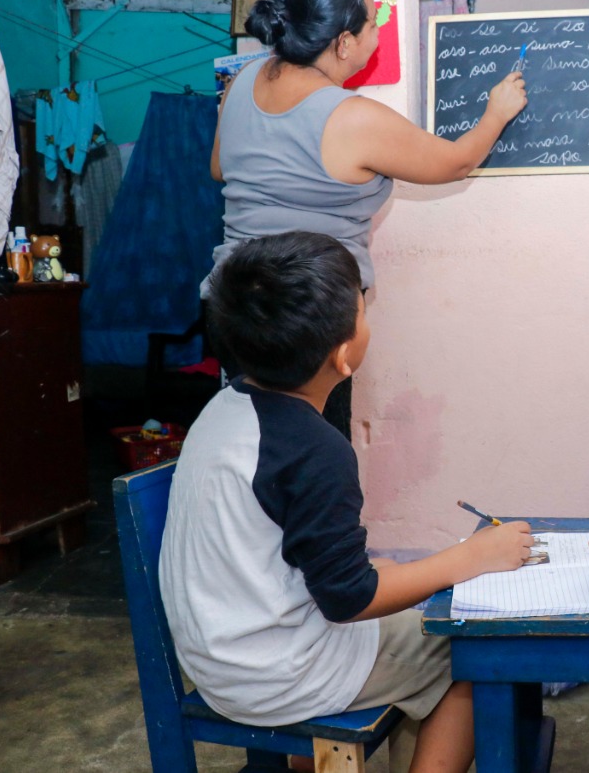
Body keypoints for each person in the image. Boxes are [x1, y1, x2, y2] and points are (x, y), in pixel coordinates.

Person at [161, 232, 534, 772]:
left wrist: (386, 572)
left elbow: (282, 553)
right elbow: (349, 600)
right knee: (475, 654)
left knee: (410, 606)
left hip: (218, 661)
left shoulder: (225, 408)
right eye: (363, 311)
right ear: (343, 356)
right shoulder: (315, 450)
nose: (367, 319)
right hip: (280, 676)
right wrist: (470, 558)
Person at [205, 0, 528, 439]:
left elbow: (219, 167)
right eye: (373, 24)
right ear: (343, 43)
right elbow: (455, 162)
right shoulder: (351, 118)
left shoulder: (243, 80)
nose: (377, 34)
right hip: (306, 316)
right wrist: (496, 113)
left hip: (231, 304)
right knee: (314, 456)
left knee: (246, 445)